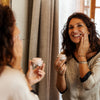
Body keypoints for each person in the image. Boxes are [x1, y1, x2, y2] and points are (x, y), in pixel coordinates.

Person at [0, 4, 45, 100]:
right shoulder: (10, 77)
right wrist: (18, 69)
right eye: (14, 25)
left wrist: (26, 81)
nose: (19, 31)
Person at [55, 12, 100, 100]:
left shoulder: (98, 55)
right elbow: (62, 90)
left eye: (79, 26)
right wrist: (60, 74)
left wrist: (82, 56)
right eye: (71, 27)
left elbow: (88, 85)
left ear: (89, 30)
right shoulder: (65, 55)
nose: (74, 30)